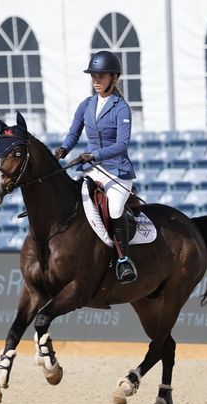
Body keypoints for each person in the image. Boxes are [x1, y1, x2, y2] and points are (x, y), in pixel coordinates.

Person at [55, 50, 137, 284]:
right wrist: (63, 149)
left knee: (114, 210)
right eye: (93, 76)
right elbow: (73, 133)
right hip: (91, 169)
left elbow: (122, 145)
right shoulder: (86, 105)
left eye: (101, 76)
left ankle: (123, 261)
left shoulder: (121, 108)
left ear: (113, 77)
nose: (96, 81)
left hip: (117, 171)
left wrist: (94, 154)